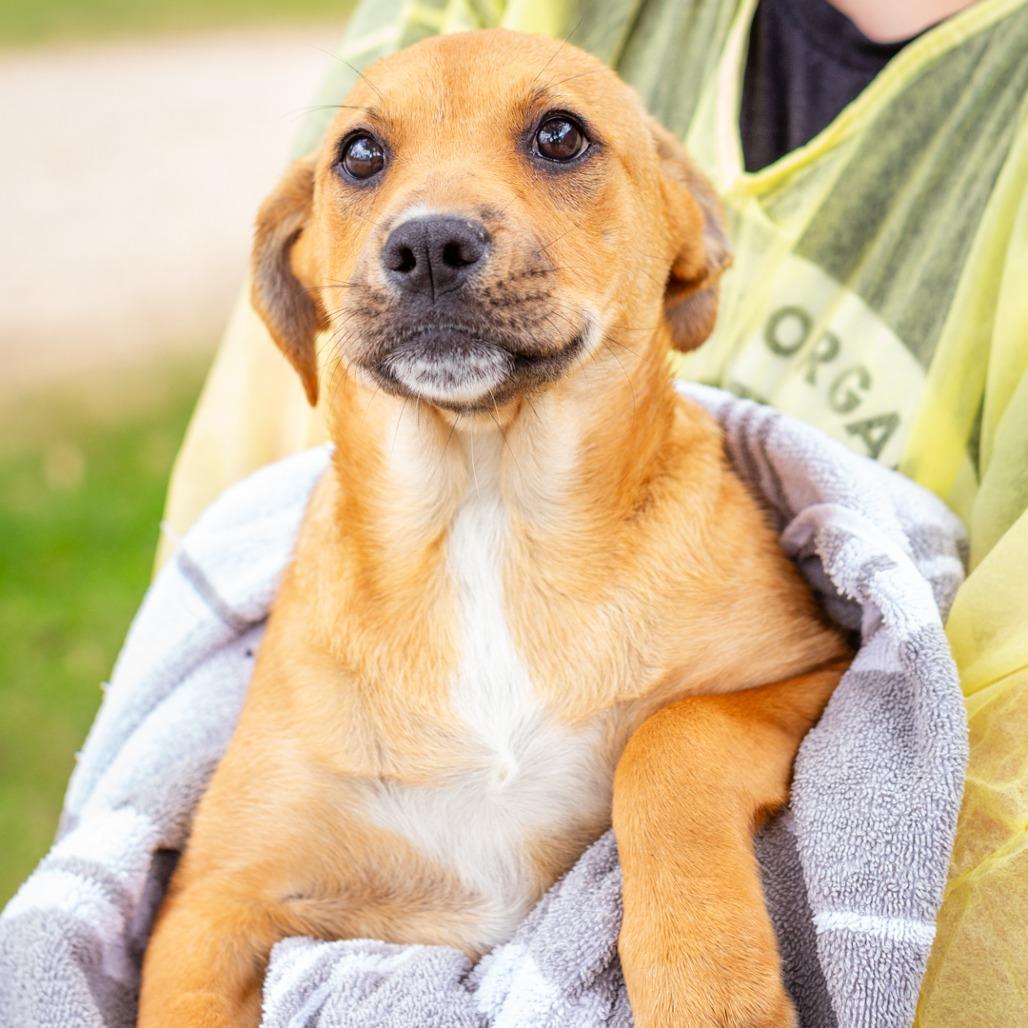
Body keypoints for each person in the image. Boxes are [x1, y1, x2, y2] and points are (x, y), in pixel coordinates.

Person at [159, 1, 1028, 1024]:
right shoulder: (313, 643)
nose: (430, 227)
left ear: (680, 243)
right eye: (364, 160)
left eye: (556, 141)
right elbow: (210, 930)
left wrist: (684, 779)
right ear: (300, 269)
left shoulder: (715, 564)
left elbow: (832, 692)